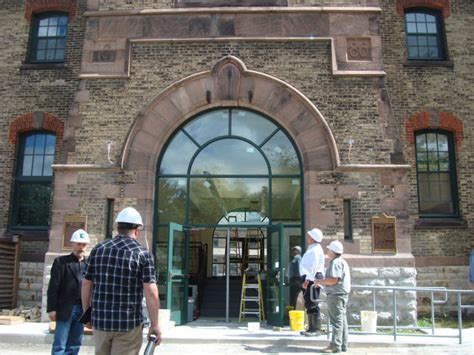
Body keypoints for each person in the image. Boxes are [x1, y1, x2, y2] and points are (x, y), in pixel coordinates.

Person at [81, 207, 161, 355]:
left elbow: (86, 284)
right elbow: (151, 292)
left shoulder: (98, 250)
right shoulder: (142, 254)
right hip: (128, 323)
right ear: (136, 230)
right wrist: (155, 324)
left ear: (117, 228)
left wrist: (87, 314)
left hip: (101, 320)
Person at [47, 229, 90, 355]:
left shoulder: (89, 264)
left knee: (75, 343)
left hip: (82, 309)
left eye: (84, 244)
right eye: (78, 244)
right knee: (60, 344)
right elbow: (54, 286)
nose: (81, 247)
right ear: (72, 244)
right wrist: (52, 308)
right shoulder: (61, 263)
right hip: (65, 308)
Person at [315, 240, 351, 353]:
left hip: (336, 294)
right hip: (340, 294)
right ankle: (343, 344)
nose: (328, 251)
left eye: (329, 250)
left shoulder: (335, 263)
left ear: (333, 251)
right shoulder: (341, 261)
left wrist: (320, 281)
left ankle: (335, 345)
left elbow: (333, 280)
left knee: (337, 321)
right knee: (342, 320)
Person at [299, 228, 325, 336]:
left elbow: (312, 266)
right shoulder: (312, 248)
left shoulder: (315, 250)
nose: (307, 238)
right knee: (309, 302)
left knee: (313, 302)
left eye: (309, 236)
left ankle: (316, 329)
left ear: (313, 238)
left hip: (312, 277)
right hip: (310, 277)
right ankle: (311, 328)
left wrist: (308, 280)